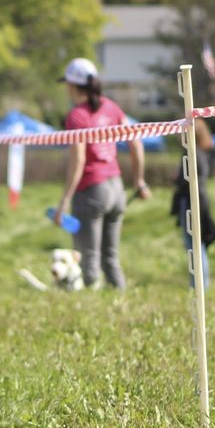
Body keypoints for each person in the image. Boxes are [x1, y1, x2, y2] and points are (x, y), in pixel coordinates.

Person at [53, 57, 150, 289]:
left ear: (74, 86)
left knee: (88, 258)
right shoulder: (111, 107)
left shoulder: (76, 115)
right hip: (115, 188)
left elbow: (78, 159)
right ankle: (120, 298)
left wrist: (65, 199)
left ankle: (90, 311)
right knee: (111, 258)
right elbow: (136, 142)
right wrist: (139, 180)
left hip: (91, 192)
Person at [171, 118, 215, 288]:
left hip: (193, 200)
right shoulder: (204, 152)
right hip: (200, 199)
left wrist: (177, 179)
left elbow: (190, 180)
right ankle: (200, 285)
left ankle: (199, 286)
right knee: (197, 245)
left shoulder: (193, 153)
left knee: (195, 246)